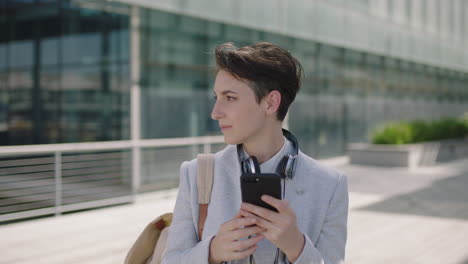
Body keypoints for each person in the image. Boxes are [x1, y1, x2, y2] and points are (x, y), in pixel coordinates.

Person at [162, 42, 348, 264]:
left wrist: (297, 247)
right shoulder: (197, 174)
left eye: (230, 98)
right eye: (216, 97)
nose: (215, 113)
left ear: (270, 103)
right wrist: (212, 252)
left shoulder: (330, 185)